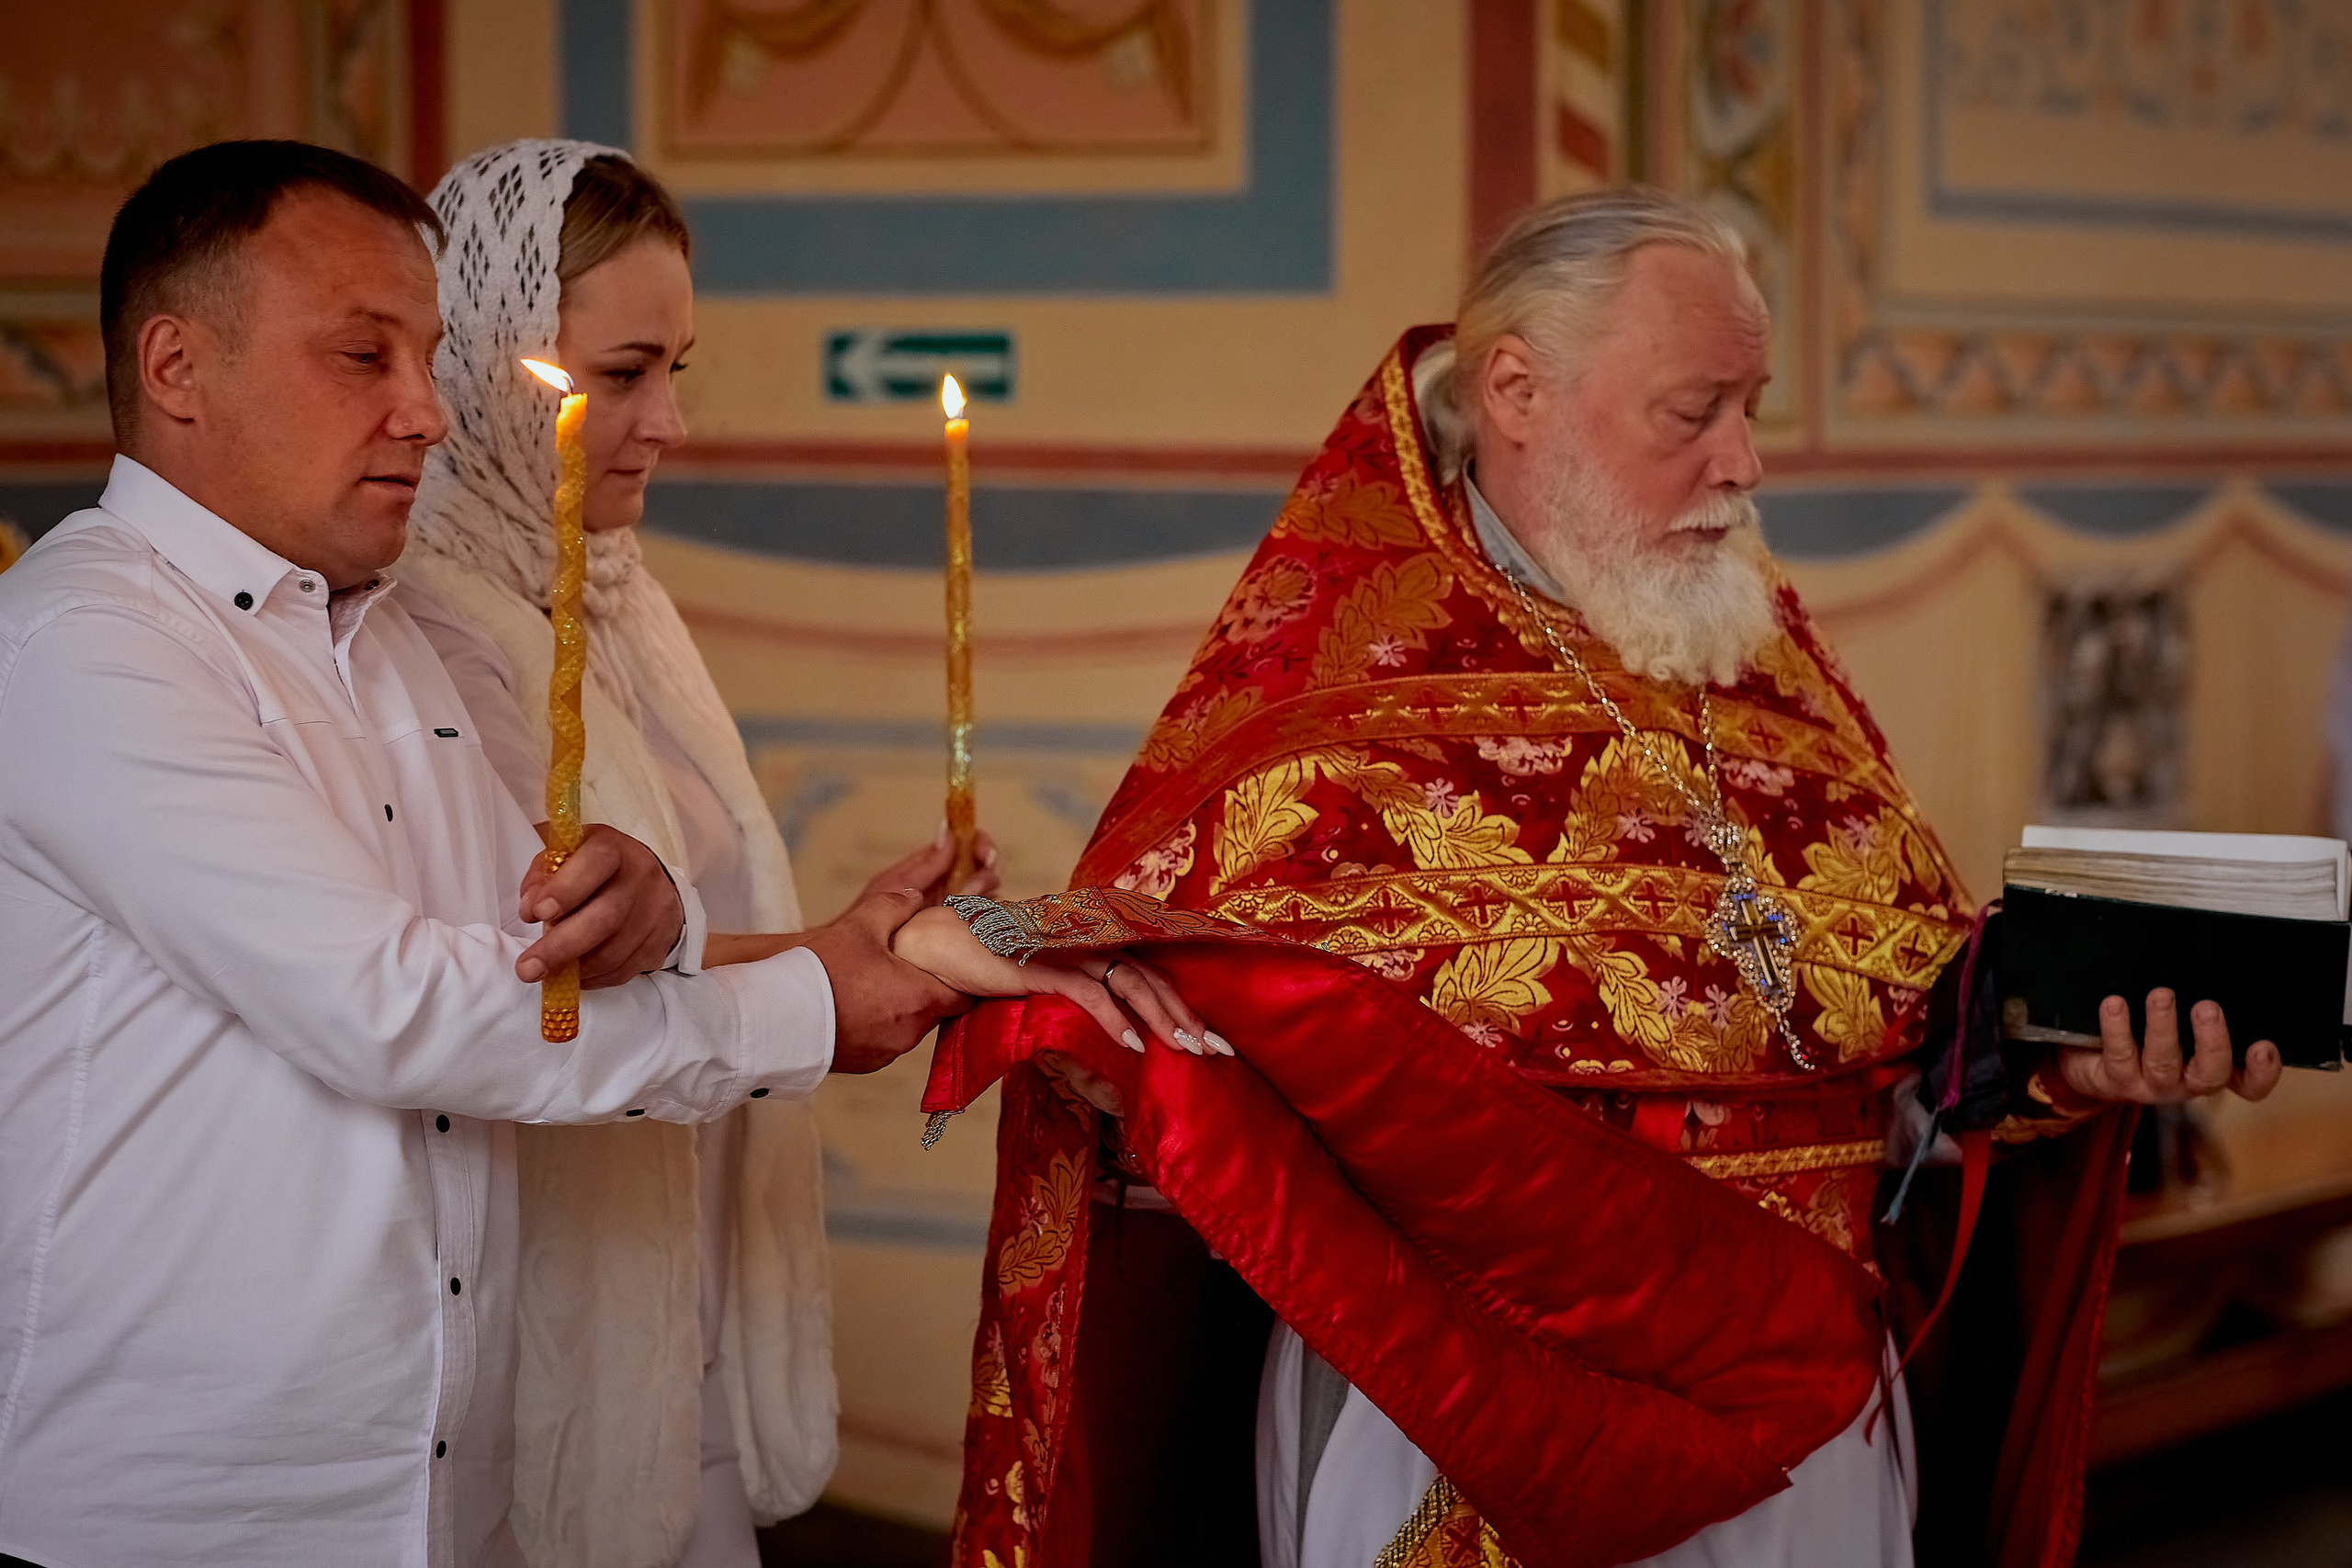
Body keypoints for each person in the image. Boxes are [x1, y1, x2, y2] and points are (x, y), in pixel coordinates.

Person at [909, 188, 2285, 1568]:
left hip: (1813, 1440)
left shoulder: (1770, 685)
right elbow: (1165, 1024)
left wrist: (2051, 1072)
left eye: (1751, 405)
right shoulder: (1335, 720)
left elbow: (1900, 1053)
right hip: (1470, 1438)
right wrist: (1001, 949)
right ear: (1517, 389)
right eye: (1694, 411)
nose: (1743, 461)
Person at [0, 139, 1195, 1568]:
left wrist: (720, 926)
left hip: (433, 1483)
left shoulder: (384, 640)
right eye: (361, 359)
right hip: (182, 1505)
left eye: (430, 358)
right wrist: (814, 1006)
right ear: (179, 368)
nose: (427, 414)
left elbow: (526, 963)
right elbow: (403, 1009)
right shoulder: (85, 647)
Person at [390, 138, 1014, 1568]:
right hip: (554, 1264)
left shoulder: (617, 600)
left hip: (692, 1239)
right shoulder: (427, 631)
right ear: (495, 362)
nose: (669, 421)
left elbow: (686, 926)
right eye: (624, 373)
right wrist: (854, 970)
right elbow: (551, 984)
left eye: (682, 366)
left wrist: (862, 929)